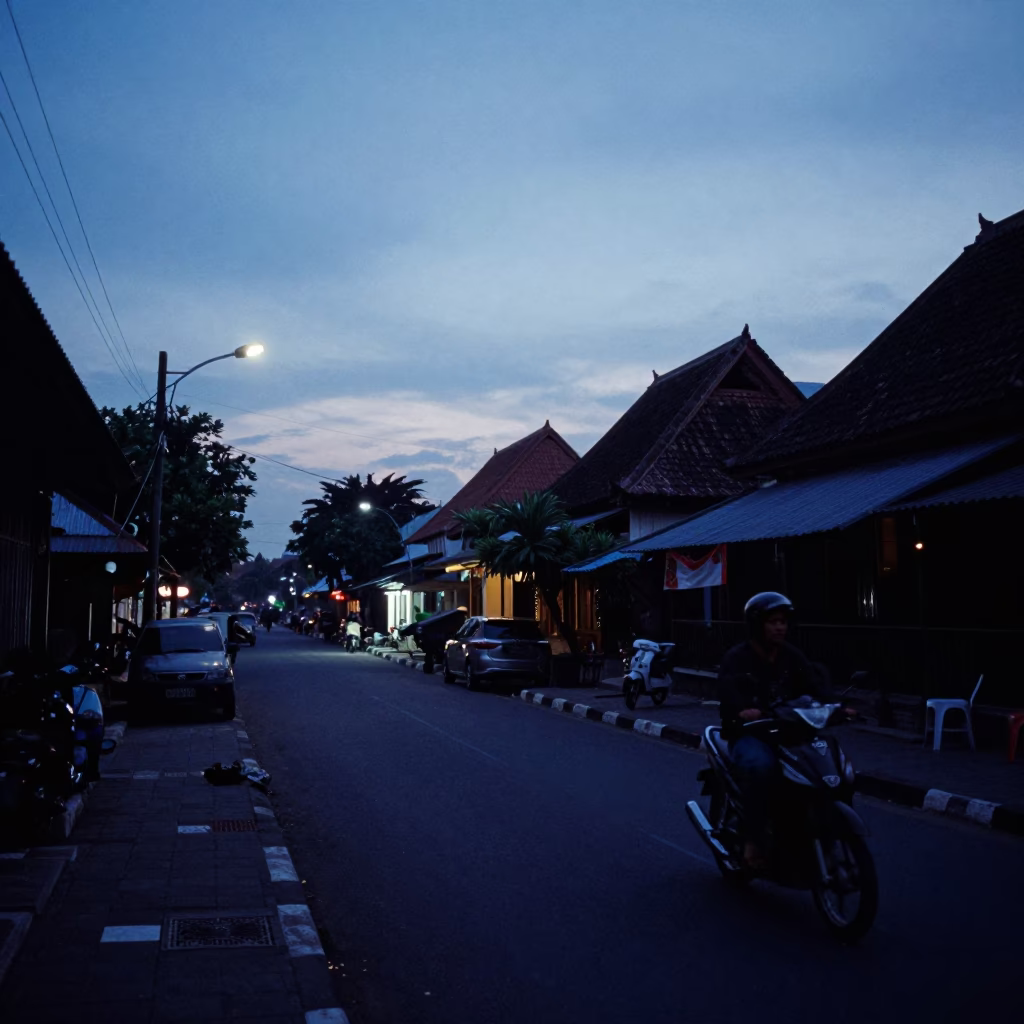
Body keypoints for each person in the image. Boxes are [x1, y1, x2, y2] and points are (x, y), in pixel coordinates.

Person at [717, 592, 836, 868]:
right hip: (751, 735)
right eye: (773, 622)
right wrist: (741, 711)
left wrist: (837, 707)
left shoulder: (792, 656)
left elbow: (814, 687)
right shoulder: (736, 659)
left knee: (827, 765)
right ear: (758, 625)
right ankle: (752, 840)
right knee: (760, 768)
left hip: (789, 733)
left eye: (782, 622)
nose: (780, 627)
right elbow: (727, 695)